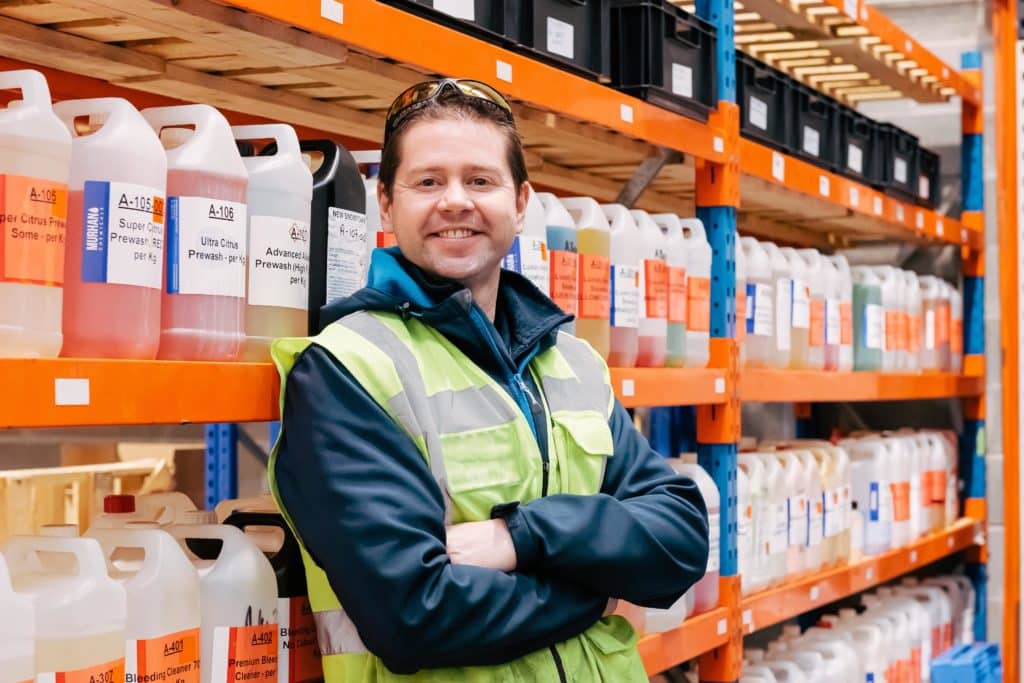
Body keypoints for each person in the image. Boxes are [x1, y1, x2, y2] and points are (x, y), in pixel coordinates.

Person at [269, 79, 710, 682]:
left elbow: (680, 541)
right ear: (388, 205)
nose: (455, 201)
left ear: (521, 202)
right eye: (428, 182)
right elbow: (418, 614)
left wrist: (522, 537)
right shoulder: (348, 368)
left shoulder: (573, 363)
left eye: (480, 180)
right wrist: (598, 590)